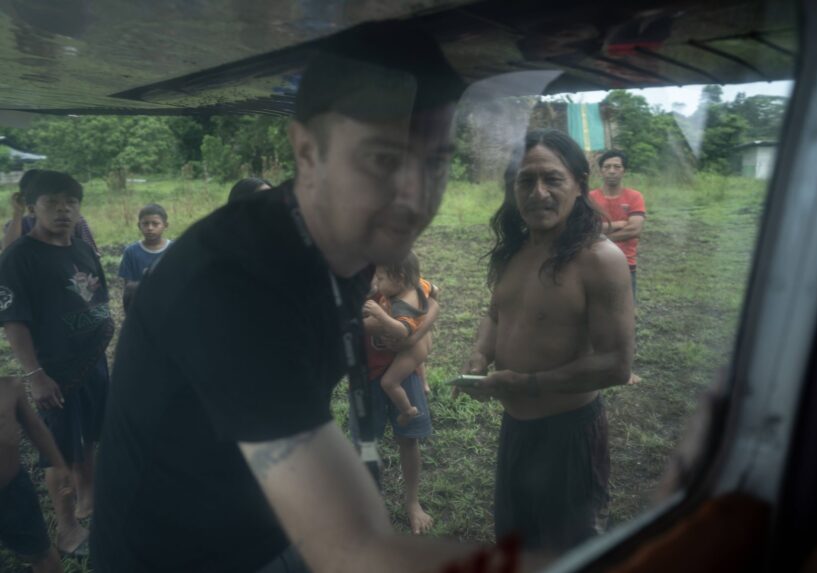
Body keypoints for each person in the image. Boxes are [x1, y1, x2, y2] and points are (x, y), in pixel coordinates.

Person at [92, 21, 548, 573]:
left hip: (268, 523)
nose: (416, 195)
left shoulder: (346, 239)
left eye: (435, 162)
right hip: (174, 553)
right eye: (383, 159)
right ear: (307, 151)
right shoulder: (232, 284)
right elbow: (353, 551)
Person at [460, 129, 635, 551]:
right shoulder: (514, 251)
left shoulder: (600, 260)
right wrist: (481, 353)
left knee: (570, 552)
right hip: (516, 429)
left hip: (570, 436)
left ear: (578, 183)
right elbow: (496, 312)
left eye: (552, 179)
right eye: (524, 181)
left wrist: (527, 384)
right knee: (516, 543)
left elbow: (616, 364)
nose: (538, 192)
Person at [0, 170, 114, 557]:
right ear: (33, 207)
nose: (63, 210)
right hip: (55, 372)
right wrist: (35, 375)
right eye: (52, 203)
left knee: (91, 438)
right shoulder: (20, 257)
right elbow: (14, 320)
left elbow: (96, 297)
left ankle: (89, 504)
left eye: (71, 203)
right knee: (58, 449)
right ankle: (66, 529)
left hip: (93, 363)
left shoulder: (79, 245)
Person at [358, 253, 438, 534]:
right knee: (367, 444)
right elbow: (352, 325)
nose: (376, 282)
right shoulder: (347, 267)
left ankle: (412, 501)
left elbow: (433, 301)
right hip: (365, 376)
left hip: (404, 371)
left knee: (409, 439)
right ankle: (369, 504)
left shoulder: (387, 266)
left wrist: (414, 333)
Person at [0, 376, 75, 570]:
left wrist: (59, 464)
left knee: (41, 552)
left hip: (13, 492)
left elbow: (36, 428)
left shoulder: (9, 388)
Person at [588, 150, 645, 300]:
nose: (611, 171)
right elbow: (586, 228)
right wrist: (619, 224)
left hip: (626, 262)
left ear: (623, 170)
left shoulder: (635, 196)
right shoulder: (590, 198)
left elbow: (634, 229)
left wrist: (600, 235)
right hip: (594, 261)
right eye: (607, 167)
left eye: (616, 167)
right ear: (601, 171)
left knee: (626, 309)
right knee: (595, 307)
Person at [3, 169, 100, 255]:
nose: (62, 208)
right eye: (51, 201)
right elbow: (8, 253)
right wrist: (17, 213)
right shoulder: (19, 224)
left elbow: (91, 253)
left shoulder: (75, 221)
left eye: (70, 201)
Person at [118, 203, 171, 311]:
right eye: (145, 224)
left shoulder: (174, 249)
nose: (150, 228)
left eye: (155, 224)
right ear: (139, 225)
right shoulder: (131, 252)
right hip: (142, 308)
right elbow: (128, 287)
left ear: (165, 225)